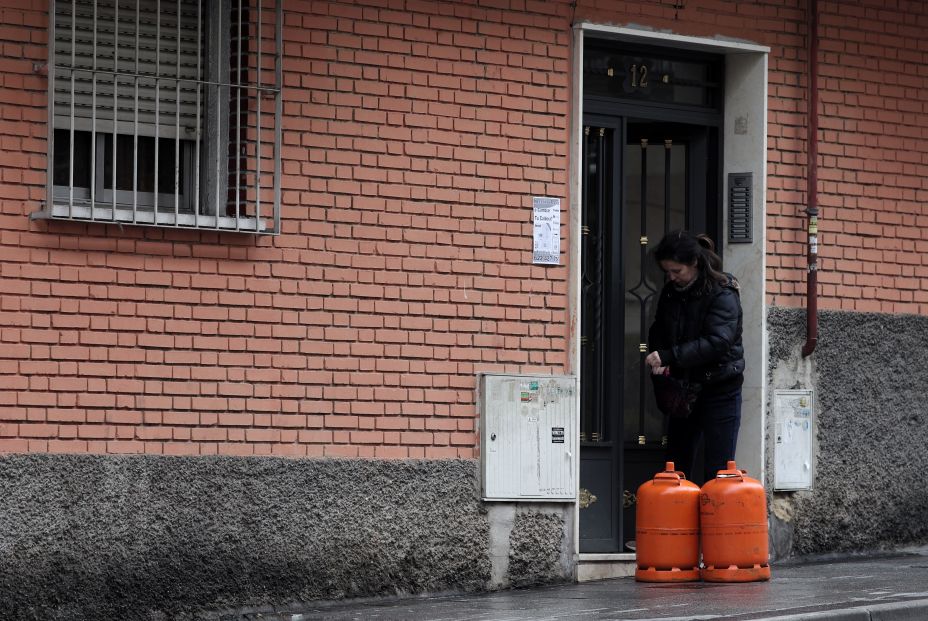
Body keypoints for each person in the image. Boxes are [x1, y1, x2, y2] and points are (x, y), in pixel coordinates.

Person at [644, 230, 745, 483]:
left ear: (695, 263)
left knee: (719, 469)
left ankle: (715, 522)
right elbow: (658, 329)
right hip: (685, 390)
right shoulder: (670, 293)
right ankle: (681, 521)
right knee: (676, 467)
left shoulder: (723, 291)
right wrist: (659, 358)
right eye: (667, 272)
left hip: (720, 388)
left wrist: (669, 356)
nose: (671, 277)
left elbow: (718, 342)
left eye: (677, 271)